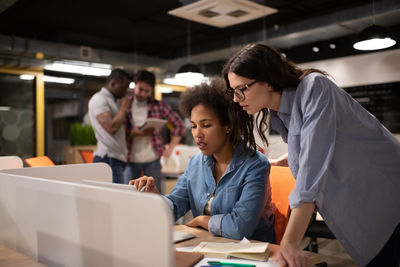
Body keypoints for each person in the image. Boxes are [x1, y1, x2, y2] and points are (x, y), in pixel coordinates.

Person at [222, 43, 400, 267]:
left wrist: (289, 244)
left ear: (266, 79)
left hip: (388, 196)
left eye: (242, 88)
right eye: (233, 91)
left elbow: (311, 171)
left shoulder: (315, 88)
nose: (236, 99)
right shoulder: (280, 114)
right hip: (366, 206)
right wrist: (279, 162)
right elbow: (309, 147)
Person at [130, 77, 275, 242]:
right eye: (193, 126)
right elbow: (176, 204)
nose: (197, 134)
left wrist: (202, 220)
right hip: (210, 246)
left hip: (253, 252)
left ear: (228, 125)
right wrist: (153, 197)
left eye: (206, 125)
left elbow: (240, 227)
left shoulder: (255, 165)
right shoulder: (195, 163)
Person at [125, 70, 185, 189]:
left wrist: (170, 148)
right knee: (129, 197)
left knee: (155, 197)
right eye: (140, 89)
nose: (143, 93)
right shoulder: (125, 105)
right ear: (135, 84)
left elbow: (180, 125)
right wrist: (132, 133)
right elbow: (118, 132)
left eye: (147, 91)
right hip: (130, 159)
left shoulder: (158, 105)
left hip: (153, 159)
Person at [88, 68, 131, 184]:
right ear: (113, 83)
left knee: (115, 200)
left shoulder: (113, 101)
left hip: (116, 160)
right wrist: (123, 108)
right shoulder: (99, 99)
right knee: (116, 201)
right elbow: (111, 127)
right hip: (108, 160)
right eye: (124, 87)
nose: (126, 91)